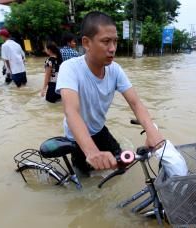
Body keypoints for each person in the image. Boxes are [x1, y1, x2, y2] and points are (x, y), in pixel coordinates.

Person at [56, 12, 164, 175]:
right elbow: (71, 111)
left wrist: (151, 130)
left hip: (99, 129)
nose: (112, 48)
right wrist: (91, 151)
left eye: (115, 41)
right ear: (86, 43)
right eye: (106, 41)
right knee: (85, 180)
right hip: (78, 137)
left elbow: (135, 103)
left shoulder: (115, 70)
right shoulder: (70, 68)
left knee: (121, 166)